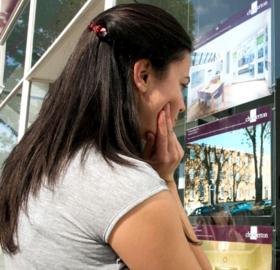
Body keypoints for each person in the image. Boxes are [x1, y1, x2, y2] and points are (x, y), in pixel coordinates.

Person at [0, 4, 211, 270]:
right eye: (182, 84)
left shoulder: (38, 166)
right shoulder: (124, 185)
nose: (182, 104)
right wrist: (167, 180)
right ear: (143, 75)